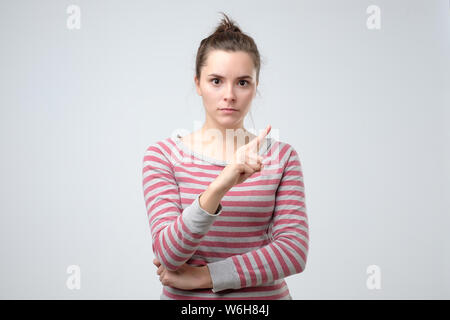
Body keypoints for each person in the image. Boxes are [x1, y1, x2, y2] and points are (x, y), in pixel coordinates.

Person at [142, 12, 309, 300]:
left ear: (256, 87)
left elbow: (293, 251)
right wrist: (223, 182)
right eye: (216, 81)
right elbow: (169, 254)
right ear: (198, 84)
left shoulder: (282, 157)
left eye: (242, 82)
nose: (229, 94)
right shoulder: (163, 156)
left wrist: (204, 277)